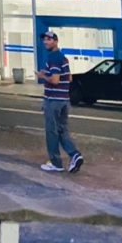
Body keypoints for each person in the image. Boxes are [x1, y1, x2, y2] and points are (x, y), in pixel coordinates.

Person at [36, 30, 83, 173]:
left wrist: (43, 76)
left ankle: (56, 163)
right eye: (44, 39)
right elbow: (69, 78)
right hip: (64, 100)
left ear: (56, 41)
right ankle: (75, 155)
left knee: (52, 131)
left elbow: (55, 81)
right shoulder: (63, 58)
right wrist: (49, 74)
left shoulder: (54, 58)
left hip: (53, 100)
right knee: (62, 130)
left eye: (49, 39)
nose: (45, 42)